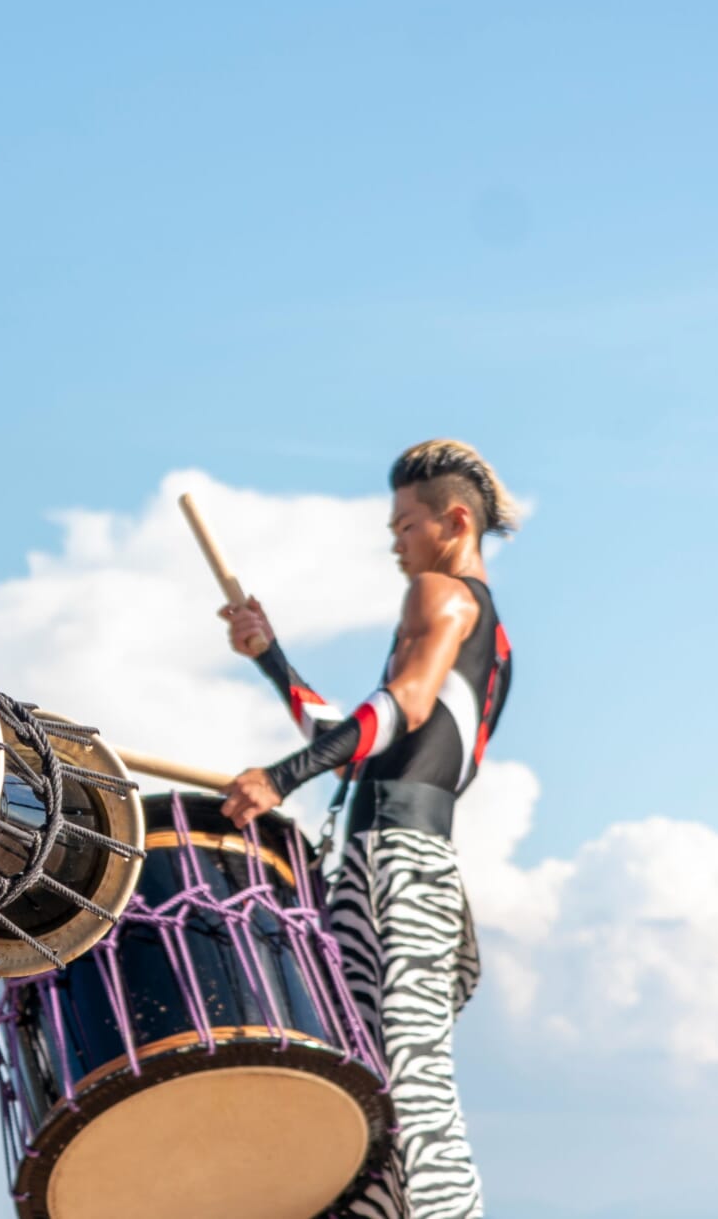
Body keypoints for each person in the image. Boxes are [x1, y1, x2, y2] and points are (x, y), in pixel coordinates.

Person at [216, 439, 519, 1219]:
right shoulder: (484, 625)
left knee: (407, 1082)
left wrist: (280, 776)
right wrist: (271, 657)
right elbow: (370, 738)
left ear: (454, 521)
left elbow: (402, 707)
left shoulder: (440, 596)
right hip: (406, 864)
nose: (395, 541)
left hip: (395, 865)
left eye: (406, 524)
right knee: (374, 1080)